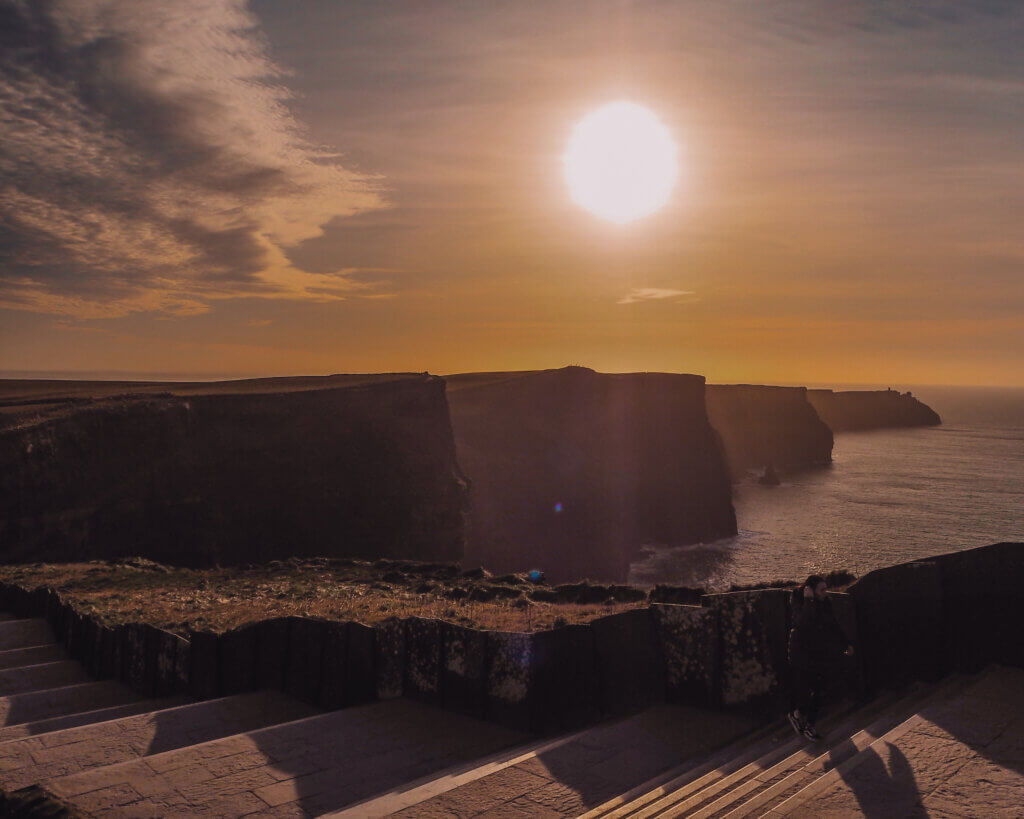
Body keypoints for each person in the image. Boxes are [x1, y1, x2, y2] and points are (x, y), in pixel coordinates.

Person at [786, 575, 854, 741]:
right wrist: (809, 601)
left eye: (826, 588)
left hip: (817, 652)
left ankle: (805, 721)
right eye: (822, 589)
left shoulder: (825, 602)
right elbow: (802, 624)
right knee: (809, 688)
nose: (825, 592)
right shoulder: (799, 601)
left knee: (818, 688)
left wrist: (846, 643)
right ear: (810, 590)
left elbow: (833, 624)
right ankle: (801, 718)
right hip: (801, 654)